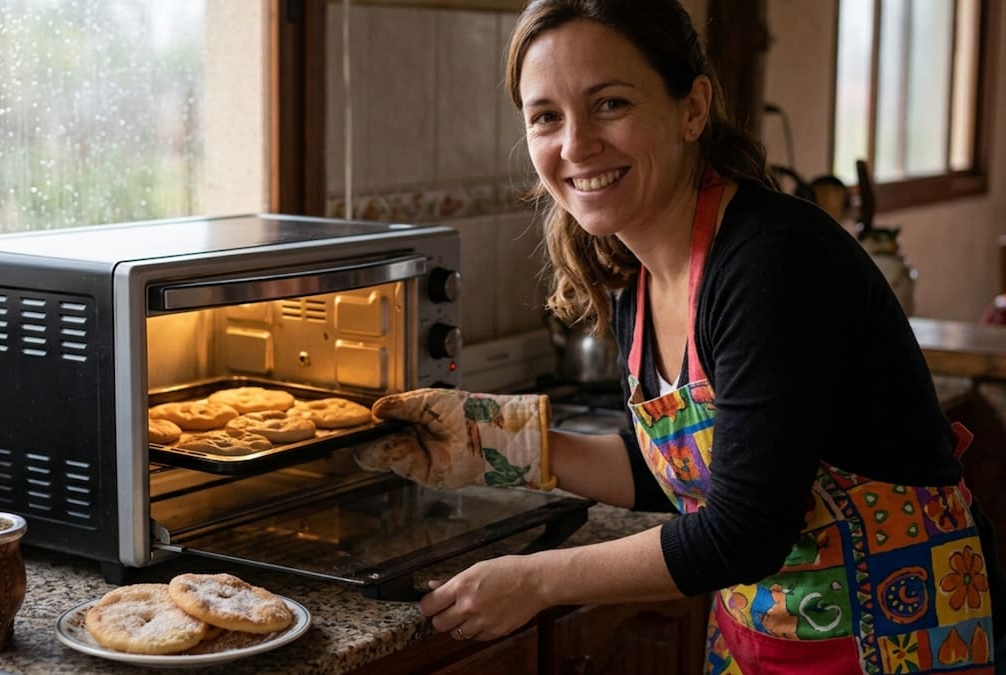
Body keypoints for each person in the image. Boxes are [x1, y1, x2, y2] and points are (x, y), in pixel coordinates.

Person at [354, 0, 1004, 672]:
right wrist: (488, 442)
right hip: (764, 641)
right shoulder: (639, 278)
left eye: (610, 104)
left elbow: (744, 531)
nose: (575, 145)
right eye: (546, 116)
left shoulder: (770, 261)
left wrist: (537, 581)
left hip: (901, 639)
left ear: (693, 108)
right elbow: (675, 471)